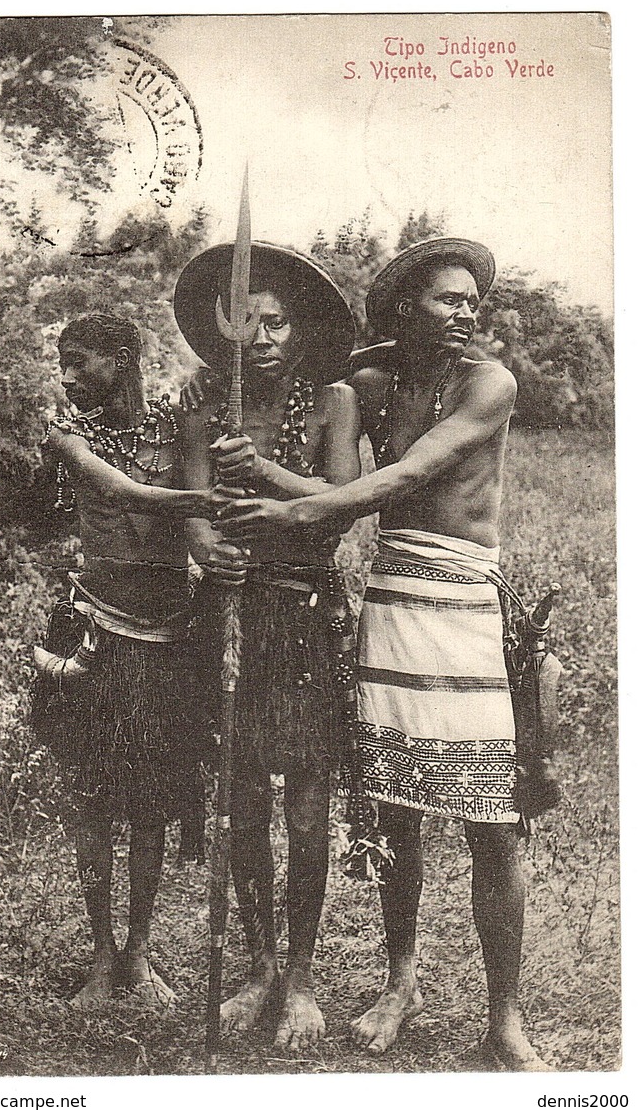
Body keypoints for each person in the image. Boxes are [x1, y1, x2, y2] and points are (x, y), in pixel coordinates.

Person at [215, 238, 550, 1071]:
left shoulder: (489, 384)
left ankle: (505, 1021)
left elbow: (404, 477)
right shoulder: (370, 384)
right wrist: (236, 430)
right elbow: (298, 382)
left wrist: (293, 510)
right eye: (448, 299)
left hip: (467, 603)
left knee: (492, 822)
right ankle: (401, 981)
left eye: (472, 300)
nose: (467, 312)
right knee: (398, 810)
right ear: (405, 307)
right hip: (392, 602)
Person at [174, 243, 362, 1050]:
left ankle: (303, 978)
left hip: (302, 615)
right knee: (243, 797)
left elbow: (342, 502)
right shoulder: (203, 402)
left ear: (302, 327)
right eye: (246, 322)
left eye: (277, 321)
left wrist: (267, 472)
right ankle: (258, 966)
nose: (262, 337)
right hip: (229, 619)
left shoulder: (333, 401)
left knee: (308, 803)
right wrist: (203, 546)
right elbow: (191, 502)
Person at [32, 314, 221, 1008]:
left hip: (167, 638)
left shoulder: (178, 427)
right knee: (90, 799)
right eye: (63, 362)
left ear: (120, 359)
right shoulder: (66, 433)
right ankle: (100, 956)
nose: (67, 376)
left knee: (150, 804)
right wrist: (202, 498)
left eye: (79, 361)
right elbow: (119, 492)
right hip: (93, 633)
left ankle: (137, 953)